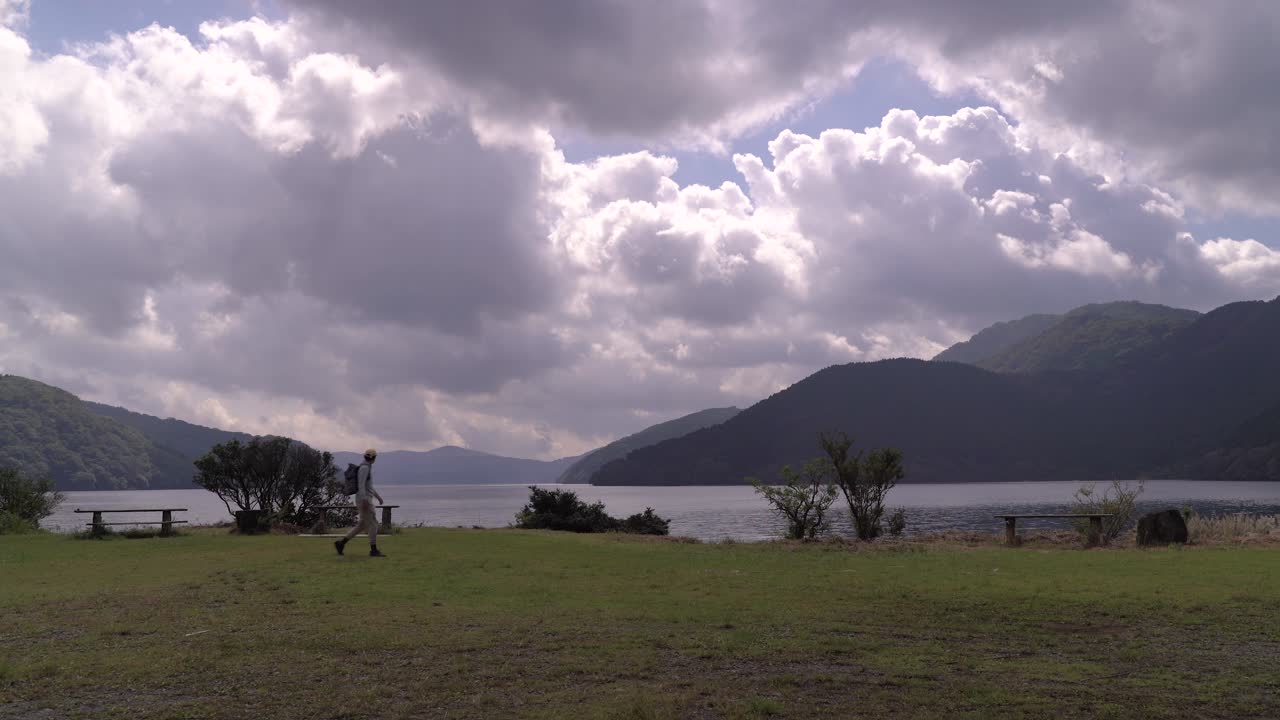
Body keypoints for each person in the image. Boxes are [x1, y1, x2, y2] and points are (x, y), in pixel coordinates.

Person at [335, 448, 386, 557]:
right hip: (365, 500)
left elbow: (369, 486)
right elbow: (361, 485)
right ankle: (373, 550)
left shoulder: (366, 467)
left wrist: (378, 497)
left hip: (365, 498)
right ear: (373, 458)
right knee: (373, 524)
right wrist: (364, 500)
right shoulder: (364, 468)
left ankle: (341, 543)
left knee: (361, 525)